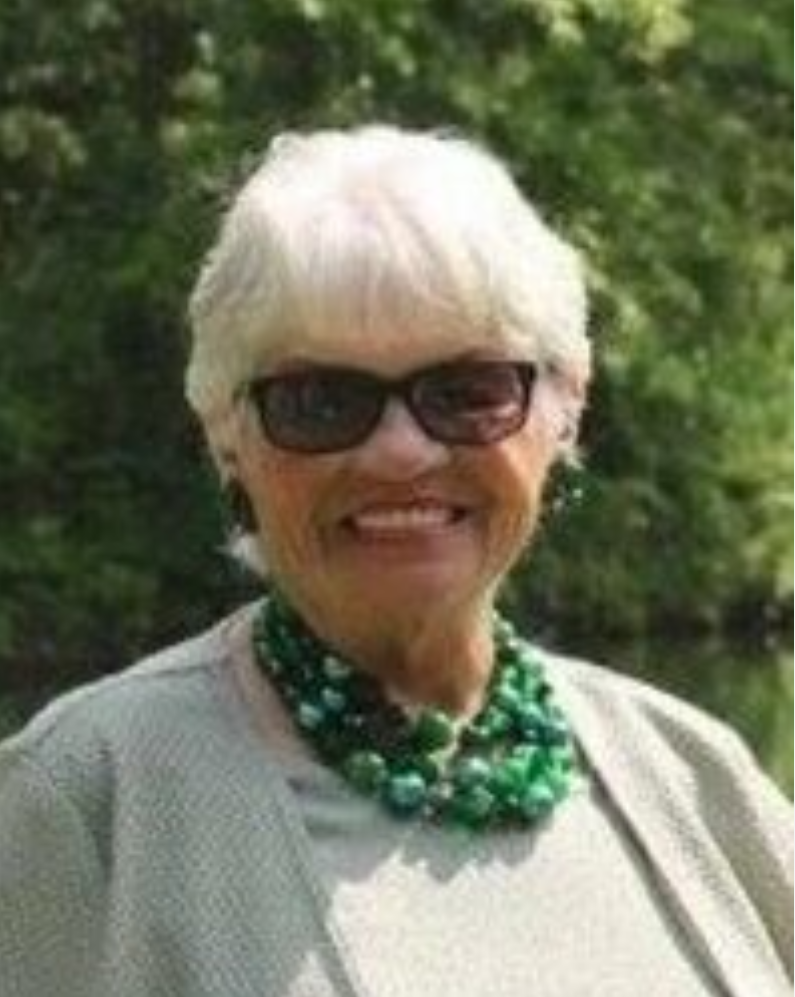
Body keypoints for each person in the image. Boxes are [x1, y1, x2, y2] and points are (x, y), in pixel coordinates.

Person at [0, 124, 791, 997]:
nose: (400, 451)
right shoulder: (86, 798)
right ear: (228, 435)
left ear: (564, 403)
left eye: (466, 390)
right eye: (320, 399)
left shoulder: (688, 774)